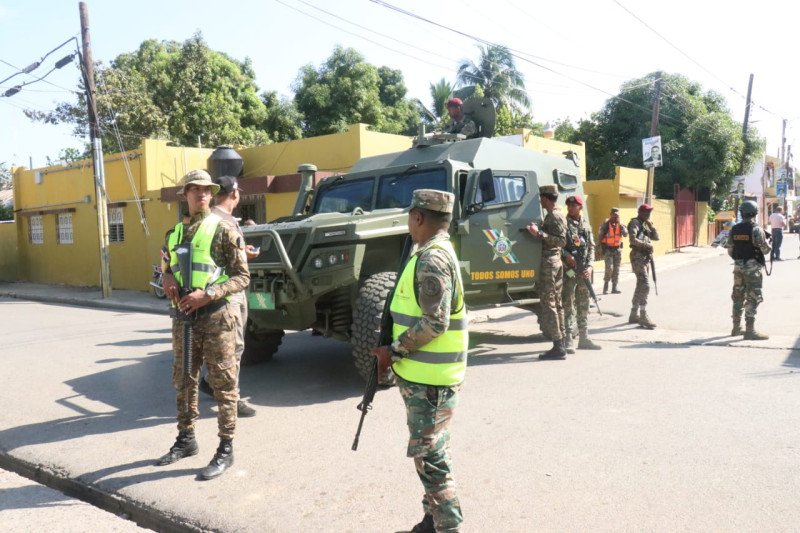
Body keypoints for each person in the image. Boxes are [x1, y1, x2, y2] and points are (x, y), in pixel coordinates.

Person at [371, 189, 468, 533]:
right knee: (431, 452)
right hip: (427, 378)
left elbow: (435, 322)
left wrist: (392, 351)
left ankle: (448, 527)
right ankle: (432, 519)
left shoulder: (432, 259)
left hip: (431, 381)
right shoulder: (431, 252)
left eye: (410, 218)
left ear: (418, 217)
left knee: (431, 458)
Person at [156, 169, 250, 480]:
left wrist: (208, 294)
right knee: (184, 380)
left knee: (224, 385)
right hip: (184, 318)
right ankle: (186, 440)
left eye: (206, 190)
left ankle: (226, 448)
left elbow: (241, 276)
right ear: (184, 195)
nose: (202, 195)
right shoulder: (174, 233)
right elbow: (165, 265)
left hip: (217, 317)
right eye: (194, 189)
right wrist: (167, 278)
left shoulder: (223, 228)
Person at [197, 175, 259, 418]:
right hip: (228, 294)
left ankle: (212, 383)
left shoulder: (208, 219)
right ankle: (231, 399)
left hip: (213, 292)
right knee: (233, 348)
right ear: (235, 193)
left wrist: (243, 253)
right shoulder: (224, 221)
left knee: (220, 347)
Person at [526, 184, 567, 359]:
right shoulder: (553, 214)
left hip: (550, 263)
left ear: (546, 198)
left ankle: (558, 345)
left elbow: (561, 241)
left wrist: (539, 234)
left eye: (541, 197)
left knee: (549, 303)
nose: (540, 201)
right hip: (554, 262)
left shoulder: (555, 216)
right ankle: (562, 341)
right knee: (556, 302)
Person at [726, 200, 771, 339]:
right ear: (755, 213)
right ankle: (750, 331)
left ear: (742, 213)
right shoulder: (756, 229)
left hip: (738, 266)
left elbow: (730, 250)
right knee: (753, 297)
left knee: (738, 296)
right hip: (752, 268)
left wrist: (739, 261)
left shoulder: (734, 229)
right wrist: (769, 243)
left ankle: (736, 328)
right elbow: (765, 251)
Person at [561, 195, 600, 353]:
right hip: (569, 271)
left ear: (580, 207)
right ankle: (568, 339)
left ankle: (584, 338)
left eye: (574, 205)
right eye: (569, 205)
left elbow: (591, 247)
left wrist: (590, 266)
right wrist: (566, 255)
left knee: (583, 304)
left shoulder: (586, 225)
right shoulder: (563, 224)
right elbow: (558, 244)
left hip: (584, 271)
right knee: (568, 304)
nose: (570, 208)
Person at [628, 204, 659, 329]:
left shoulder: (645, 225)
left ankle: (633, 313)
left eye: (649, 213)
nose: (648, 215)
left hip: (645, 258)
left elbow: (656, 237)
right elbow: (632, 240)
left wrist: (651, 225)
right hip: (637, 257)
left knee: (640, 284)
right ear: (640, 212)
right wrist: (646, 246)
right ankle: (643, 314)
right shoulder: (635, 223)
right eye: (645, 212)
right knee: (645, 285)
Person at [598, 207, 628, 294]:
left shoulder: (621, 225)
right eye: (614, 215)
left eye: (617, 215)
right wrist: (599, 249)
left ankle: (614, 287)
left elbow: (625, 234)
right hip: (608, 250)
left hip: (618, 250)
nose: (615, 217)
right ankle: (606, 286)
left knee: (616, 269)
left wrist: (622, 227)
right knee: (609, 268)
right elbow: (600, 237)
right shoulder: (605, 225)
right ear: (610, 215)